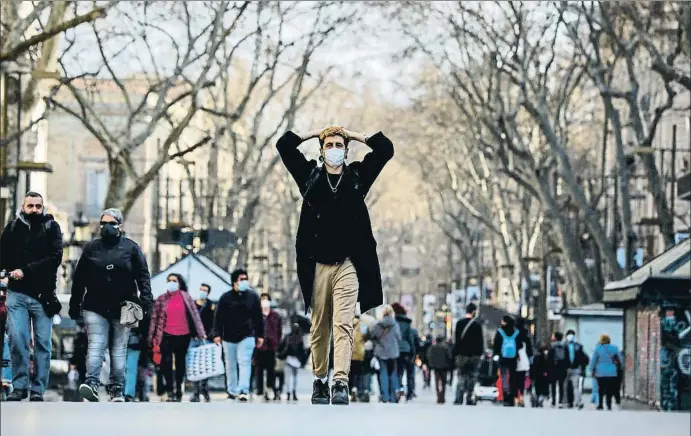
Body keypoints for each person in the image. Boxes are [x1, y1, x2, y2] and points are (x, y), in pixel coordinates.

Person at [276, 125, 394, 405]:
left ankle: (340, 381)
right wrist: (314, 133)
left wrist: (355, 134)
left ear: (346, 148)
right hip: (316, 264)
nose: (334, 150)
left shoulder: (357, 176)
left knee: (344, 324)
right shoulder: (309, 176)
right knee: (319, 328)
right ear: (321, 150)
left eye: (338, 145)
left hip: (349, 264)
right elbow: (284, 146)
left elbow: (385, 149)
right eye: (328, 145)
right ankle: (320, 380)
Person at [69, 208, 153, 402]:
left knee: (118, 349)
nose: (107, 227)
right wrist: (75, 304)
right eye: (104, 223)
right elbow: (79, 278)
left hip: (124, 308)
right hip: (95, 306)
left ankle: (117, 389)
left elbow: (143, 276)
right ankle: (91, 384)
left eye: (112, 223)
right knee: (96, 345)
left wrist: (146, 301)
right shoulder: (91, 248)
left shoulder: (131, 248)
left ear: (120, 226)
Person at [0, 192, 63, 401]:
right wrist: (5, 273)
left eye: (38, 206)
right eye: (31, 206)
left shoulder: (51, 228)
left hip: (42, 296)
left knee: (43, 344)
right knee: (18, 339)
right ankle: (20, 386)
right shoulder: (11, 228)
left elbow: (55, 258)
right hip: (16, 294)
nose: (35, 209)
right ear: (23, 206)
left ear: (43, 207)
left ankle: (38, 389)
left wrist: (25, 270)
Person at [148, 273, 206, 402]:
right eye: (169, 281)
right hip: (166, 335)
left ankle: (179, 389)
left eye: (174, 280)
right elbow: (154, 319)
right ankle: (170, 390)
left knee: (180, 363)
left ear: (180, 283)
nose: (172, 283)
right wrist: (151, 337)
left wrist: (201, 332)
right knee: (166, 363)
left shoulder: (186, 297)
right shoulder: (161, 299)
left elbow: (195, 315)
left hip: (183, 335)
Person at [213, 269, 264, 402]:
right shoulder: (225, 297)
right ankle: (232, 390)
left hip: (247, 336)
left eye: (246, 278)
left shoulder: (253, 297)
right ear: (234, 282)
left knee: (244, 362)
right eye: (241, 279)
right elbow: (218, 317)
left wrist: (260, 335)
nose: (244, 281)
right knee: (230, 365)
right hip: (228, 337)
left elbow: (259, 317)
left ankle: (243, 390)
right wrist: (216, 334)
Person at [187, 283, 216, 402]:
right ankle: (196, 390)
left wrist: (210, 335)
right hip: (193, 339)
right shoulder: (192, 305)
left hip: (206, 339)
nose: (202, 292)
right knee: (194, 365)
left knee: (205, 365)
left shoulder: (211, 306)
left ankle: (204, 387)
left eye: (205, 290)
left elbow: (214, 323)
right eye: (201, 289)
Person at [453, 303, 484, 405]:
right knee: (472, 377)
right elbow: (480, 341)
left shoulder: (459, 323)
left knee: (461, 376)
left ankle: (459, 397)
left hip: (461, 355)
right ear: (474, 311)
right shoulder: (477, 325)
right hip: (474, 355)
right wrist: (480, 354)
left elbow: (456, 340)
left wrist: (456, 353)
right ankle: (469, 397)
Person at [369, 305, 401, 403]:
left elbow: (372, 335)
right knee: (393, 374)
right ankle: (393, 397)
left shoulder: (379, 324)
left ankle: (385, 397)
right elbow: (399, 337)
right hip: (393, 352)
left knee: (383, 373)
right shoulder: (395, 324)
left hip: (381, 351)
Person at [492, 315, 526, 406]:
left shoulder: (500, 332)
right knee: (513, 377)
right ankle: (512, 395)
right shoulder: (516, 332)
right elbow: (520, 345)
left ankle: (505, 395)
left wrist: (496, 354)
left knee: (504, 376)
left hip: (503, 358)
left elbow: (496, 345)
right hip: (513, 358)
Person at [255, 293, 282, 401]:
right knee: (259, 369)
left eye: (267, 299)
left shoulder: (275, 315)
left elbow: (279, 331)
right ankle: (260, 390)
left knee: (271, 369)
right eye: (263, 299)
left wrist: (277, 342)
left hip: (271, 346)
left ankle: (270, 388)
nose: (265, 301)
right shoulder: (257, 315)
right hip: (259, 346)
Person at [589, 334, 622, 411]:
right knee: (609, 389)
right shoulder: (614, 348)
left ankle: (600, 404)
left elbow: (593, 360)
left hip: (600, 372)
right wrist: (620, 367)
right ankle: (609, 404)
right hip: (612, 372)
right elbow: (620, 359)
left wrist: (591, 369)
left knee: (601, 388)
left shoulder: (597, 349)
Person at [278, 323, 309, 401]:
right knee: (295, 377)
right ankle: (294, 392)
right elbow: (302, 351)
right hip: (296, 361)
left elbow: (282, 346)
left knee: (287, 377)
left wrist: (280, 354)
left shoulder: (288, 337)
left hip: (288, 359)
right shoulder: (300, 338)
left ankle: (288, 393)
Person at [391, 302, 416, 402]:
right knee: (410, 373)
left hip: (396, 351)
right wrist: (413, 352)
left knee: (398, 374)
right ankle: (409, 394)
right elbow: (410, 338)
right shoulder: (407, 323)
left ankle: (399, 394)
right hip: (407, 351)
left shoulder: (393, 322)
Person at [564, 329, 589, 409]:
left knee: (576, 386)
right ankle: (569, 402)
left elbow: (584, 358)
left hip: (575, 369)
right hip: (566, 368)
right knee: (567, 386)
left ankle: (577, 402)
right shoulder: (564, 346)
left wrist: (582, 367)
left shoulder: (578, 346)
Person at [427, 336, 453, 404]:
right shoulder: (446, 347)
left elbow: (429, 356)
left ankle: (438, 396)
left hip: (436, 368)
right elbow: (449, 356)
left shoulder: (432, 347)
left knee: (437, 383)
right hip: (444, 367)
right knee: (443, 383)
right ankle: (442, 396)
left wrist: (432, 364)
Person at [514, 317, 534, 407]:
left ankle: (514, 398)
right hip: (523, 360)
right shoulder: (526, 335)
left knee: (514, 379)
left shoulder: (512, 333)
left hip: (513, 358)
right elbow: (530, 351)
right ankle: (521, 397)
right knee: (521, 379)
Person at [349, 313, 368, 402]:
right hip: (360, 352)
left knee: (350, 373)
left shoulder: (347, 324)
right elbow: (366, 337)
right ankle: (360, 391)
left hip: (349, 352)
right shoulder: (363, 325)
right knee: (360, 373)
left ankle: (351, 389)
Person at [549, 331, 569, 407]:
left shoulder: (552, 346)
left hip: (554, 367)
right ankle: (560, 401)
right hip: (562, 367)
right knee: (561, 385)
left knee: (553, 385)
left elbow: (549, 358)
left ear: (556, 337)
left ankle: (553, 401)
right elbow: (567, 357)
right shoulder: (564, 346)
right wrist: (567, 366)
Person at [530, 342, 552, 407]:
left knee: (537, 388)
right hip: (543, 375)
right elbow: (547, 366)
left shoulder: (535, 357)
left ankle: (537, 399)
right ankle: (539, 399)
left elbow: (533, 367)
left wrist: (532, 375)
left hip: (537, 375)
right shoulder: (545, 358)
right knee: (543, 388)